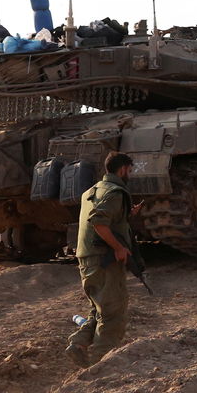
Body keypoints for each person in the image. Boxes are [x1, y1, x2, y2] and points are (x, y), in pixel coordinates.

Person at [66, 151, 138, 368]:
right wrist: (119, 248)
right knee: (114, 314)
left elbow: (100, 217)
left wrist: (127, 215)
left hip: (87, 259)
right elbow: (98, 222)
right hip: (104, 260)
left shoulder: (92, 191)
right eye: (130, 170)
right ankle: (101, 364)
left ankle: (79, 343)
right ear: (123, 169)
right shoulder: (116, 192)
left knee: (99, 309)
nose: (130, 175)